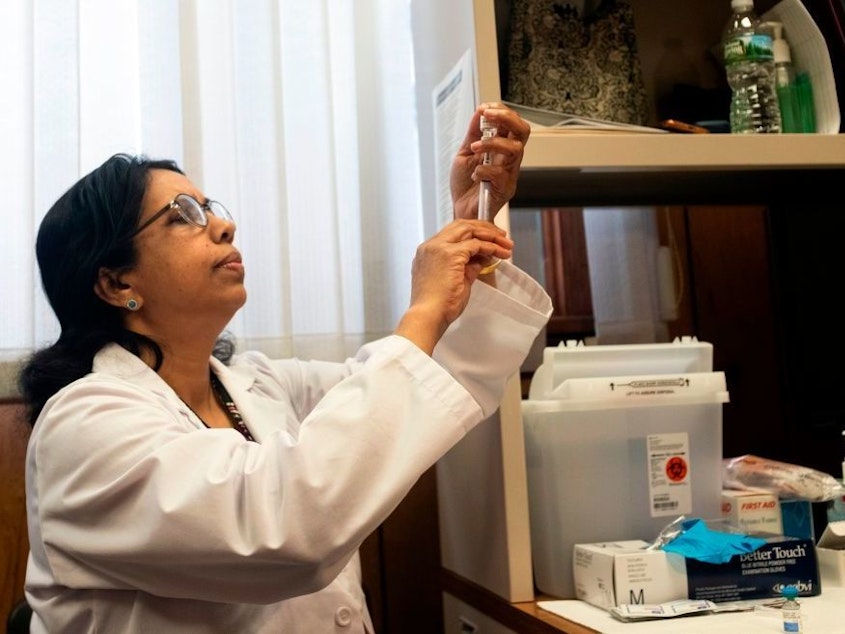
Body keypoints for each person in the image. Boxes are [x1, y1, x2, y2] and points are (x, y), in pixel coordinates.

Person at [19, 103, 551, 633]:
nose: (224, 225)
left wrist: (472, 220)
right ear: (118, 283)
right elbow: (289, 531)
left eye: (212, 207)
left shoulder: (257, 383)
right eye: (184, 215)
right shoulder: (83, 426)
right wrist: (423, 308)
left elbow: (422, 387)